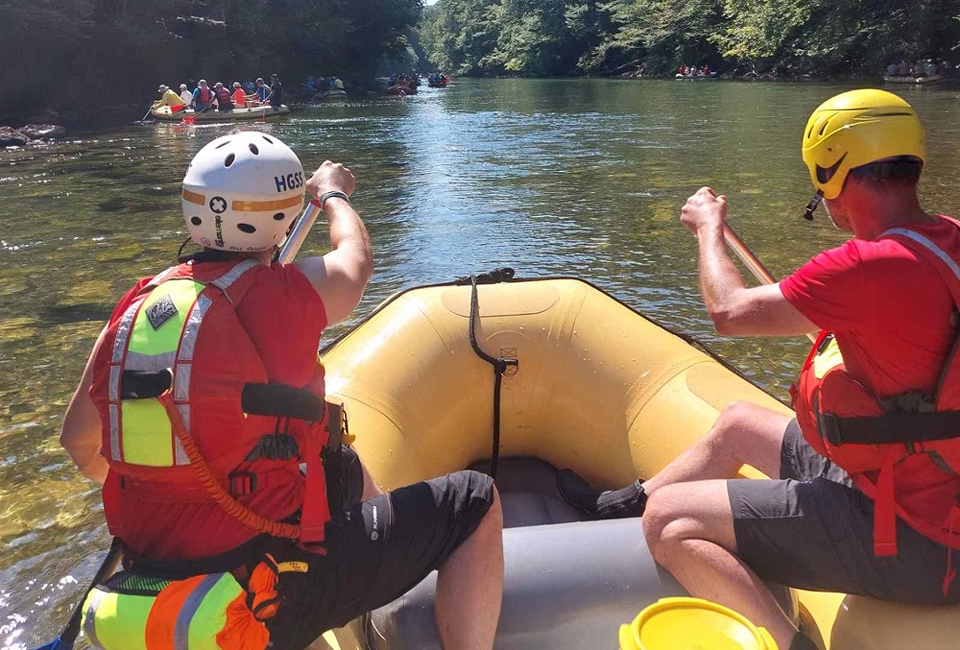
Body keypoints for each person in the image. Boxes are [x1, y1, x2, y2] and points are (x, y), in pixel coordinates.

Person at [60, 132, 503, 650]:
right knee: (475, 500)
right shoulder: (286, 292)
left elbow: (78, 440)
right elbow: (354, 260)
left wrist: (171, 489)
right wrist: (333, 194)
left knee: (335, 458)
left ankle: (371, 605)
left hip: (149, 572)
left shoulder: (135, 307)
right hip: (266, 591)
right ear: (283, 213)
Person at [558, 89, 960, 650]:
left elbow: (729, 312)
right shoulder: (948, 237)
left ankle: (788, 644)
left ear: (832, 170)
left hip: (921, 542)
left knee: (671, 524)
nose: (827, 206)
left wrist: (708, 229)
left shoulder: (866, 266)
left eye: (821, 190)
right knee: (740, 422)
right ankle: (628, 503)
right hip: (914, 486)